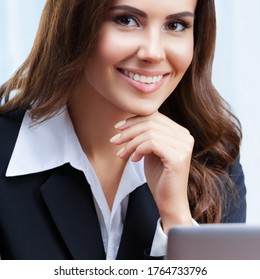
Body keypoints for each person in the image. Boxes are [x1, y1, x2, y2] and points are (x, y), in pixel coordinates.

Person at [0, 0, 246, 260]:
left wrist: (177, 219)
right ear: (73, 22)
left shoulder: (217, 165)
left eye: (175, 25)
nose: (153, 52)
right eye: (126, 20)